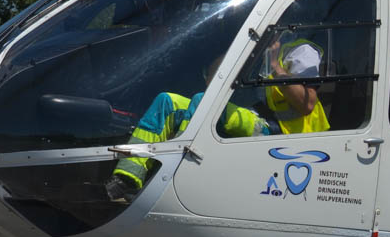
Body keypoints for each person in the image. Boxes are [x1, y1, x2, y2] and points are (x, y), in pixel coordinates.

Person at [107, 60, 269, 202]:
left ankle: (174, 175)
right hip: (234, 109)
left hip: (269, 124)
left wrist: (274, 63)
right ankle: (126, 179)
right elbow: (217, 77)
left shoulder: (284, 52)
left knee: (203, 101)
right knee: (166, 101)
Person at [263, 33, 330, 134]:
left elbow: (307, 104)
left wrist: (274, 65)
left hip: (304, 135)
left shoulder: (303, 51)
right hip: (276, 126)